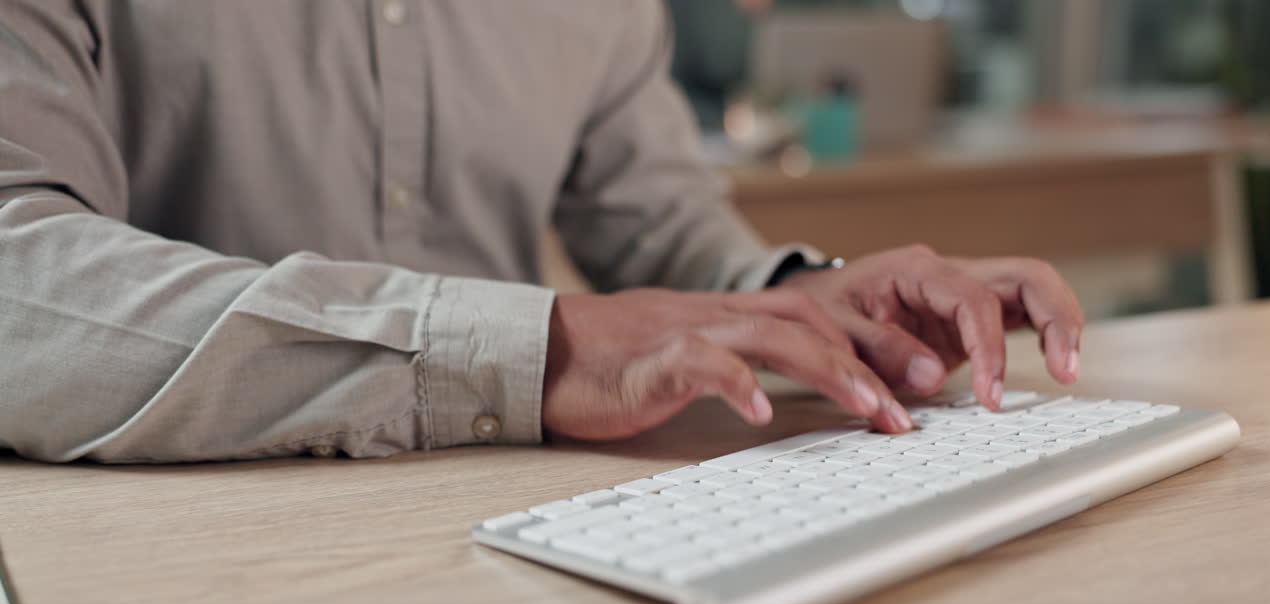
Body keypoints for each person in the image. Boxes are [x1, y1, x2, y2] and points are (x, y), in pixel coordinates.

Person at [0, 0, 1082, 463]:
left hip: (523, 518)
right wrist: (538, 348)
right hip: (176, 542)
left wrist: (798, 300)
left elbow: (657, 224)